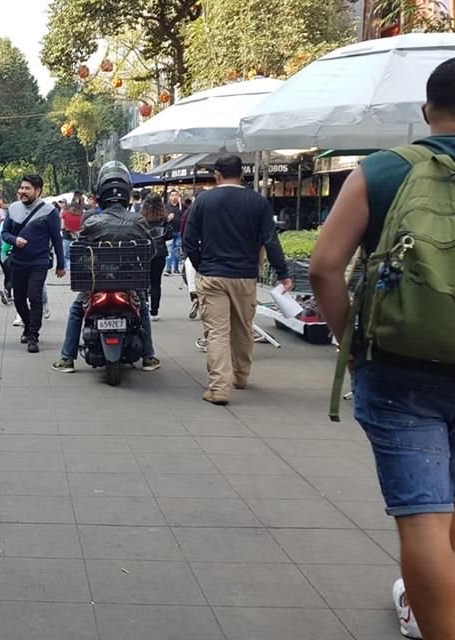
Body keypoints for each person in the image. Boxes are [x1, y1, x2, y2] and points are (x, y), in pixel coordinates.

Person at [309, 58, 455, 640]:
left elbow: (324, 267)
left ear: (427, 110)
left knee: (423, 513)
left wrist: (352, 341)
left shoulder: (383, 170)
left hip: (398, 369)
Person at [183, 155, 291, 406]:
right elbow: (270, 241)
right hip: (245, 275)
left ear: (218, 175)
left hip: (213, 274)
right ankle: (241, 376)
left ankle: (219, 387)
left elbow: (189, 240)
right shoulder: (258, 202)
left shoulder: (203, 201)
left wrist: (202, 267)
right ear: (241, 175)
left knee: (217, 332)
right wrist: (282, 274)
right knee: (243, 327)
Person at [52, 161, 161, 373]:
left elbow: (80, 250)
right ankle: (149, 357)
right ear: (127, 194)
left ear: (100, 195)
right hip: (130, 280)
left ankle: (67, 358)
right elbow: (152, 251)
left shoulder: (92, 222)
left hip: (97, 282)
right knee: (144, 310)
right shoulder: (138, 220)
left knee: (76, 310)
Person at [1, 175, 66, 353]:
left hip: (39, 261)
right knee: (19, 299)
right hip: (18, 261)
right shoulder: (13, 209)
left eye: (27, 188)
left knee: (35, 297)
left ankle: (33, 336)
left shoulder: (49, 212)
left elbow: (56, 239)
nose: (22, 191)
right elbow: (4, 233)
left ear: (38, 191)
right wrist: (15, 240)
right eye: (21, 188)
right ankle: (29, 326)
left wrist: (61, 264)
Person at [143, 193, 173, 318]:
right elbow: (169, 236)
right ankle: (154, 311)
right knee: (156, 283)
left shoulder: (141, 218)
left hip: (144, 252)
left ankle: (144, 307)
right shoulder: (164, 219)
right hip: (160, 252)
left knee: (143, 282)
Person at [165, 190, 186, 274]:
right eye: (172, 195)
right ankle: (168, 268)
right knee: (170, 251)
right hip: (170, 232)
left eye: (176, 195)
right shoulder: (166, 207)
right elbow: (163, 220)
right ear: (170, 197)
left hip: (179, 232)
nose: (174, 197)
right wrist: (168, 219)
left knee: (177, 251)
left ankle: (176, 268)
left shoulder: (182, 207)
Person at [61, 194, 83, 272]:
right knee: (78, 256)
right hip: (79, 238)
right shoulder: (83, 215)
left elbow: (62, 227)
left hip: (67, 237)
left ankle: (70, 271)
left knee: (67, 256)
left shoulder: (65, 214)